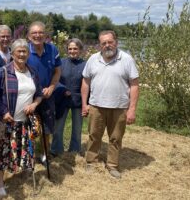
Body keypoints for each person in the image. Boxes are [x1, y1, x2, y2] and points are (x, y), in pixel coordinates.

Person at [81, 30, 139, 179]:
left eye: (110, 42)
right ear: (99, 45)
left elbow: (134, 85)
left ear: (116, 42)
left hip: (119, 107)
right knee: (94, 135)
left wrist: (132, 109)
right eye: (103, 43)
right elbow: (85, 82)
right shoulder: (93, 59)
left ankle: (112, 165)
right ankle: (91, 161)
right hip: (96, 106)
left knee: (115, 138)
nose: (107, 45)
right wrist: (84, 104)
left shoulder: (126, 59)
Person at [0, 39, 43, 198]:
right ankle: (0, 183)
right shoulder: (4, 72)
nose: (21, 54)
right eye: (18, 51)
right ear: (12, 53)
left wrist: (34, 104)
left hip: (26, 122)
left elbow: (39, 94)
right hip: (8, 121)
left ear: (28, 54)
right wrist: (3, 112)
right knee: (3, 153)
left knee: (25, 151)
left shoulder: (32, 72)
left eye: (24, 51)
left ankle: (23, 174)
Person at [26, 21, 61, 164]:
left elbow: (58, 71)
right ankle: (29, 156)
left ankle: (44, 154)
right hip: (29, 96)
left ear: (45, 35)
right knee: (30, 128)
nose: (37, 35)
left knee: (46, 128)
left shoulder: (52, 50)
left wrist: (52, 87)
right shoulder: (25, 50)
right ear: (28, 36)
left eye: (40, 32)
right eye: (34, 33)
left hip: (47, 95)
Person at [51, 38, 86, 156]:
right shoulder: (61, 63)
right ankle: (57, 151)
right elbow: (55, 78)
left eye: (75, 48)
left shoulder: (85, 65)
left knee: (77, 128)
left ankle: (74, 151)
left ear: (80, 50)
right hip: (62, 99)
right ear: (67, 50)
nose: (72, 51)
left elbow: (88, 83)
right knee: (58, 127)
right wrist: (63, 88)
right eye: (70, 49)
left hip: (79, 100)